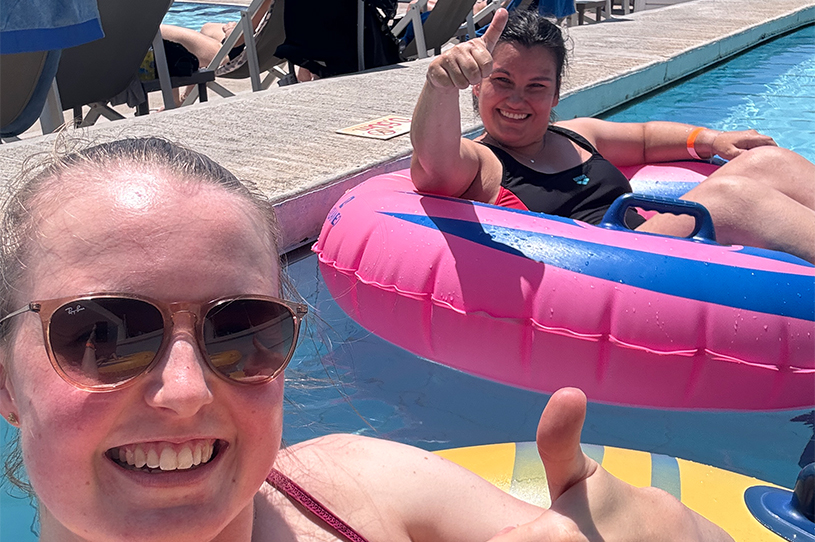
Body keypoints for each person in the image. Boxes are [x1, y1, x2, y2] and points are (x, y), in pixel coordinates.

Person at [0, 136, 732, 541]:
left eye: (240, 329)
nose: (186, 391)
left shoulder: (370, 492)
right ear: (6, 382)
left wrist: (660, 529)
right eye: (101, 335)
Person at [410, 8, 815, 263]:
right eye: (502, 81)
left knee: (769, 161)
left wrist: (711, 140)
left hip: (648, 236)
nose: (517, 99)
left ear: (555, 94)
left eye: (537, 86)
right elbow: (433, 164)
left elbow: (645, 138)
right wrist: (440, 85)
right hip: (608, 263)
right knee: (731, 200)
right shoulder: (479, 161)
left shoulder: (576, 134)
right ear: (477, 86)